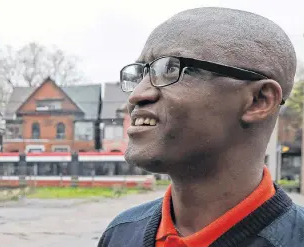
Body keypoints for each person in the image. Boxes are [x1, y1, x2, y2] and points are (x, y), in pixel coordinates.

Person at [98, 7, 304, 247]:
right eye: (141, 73)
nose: (137, 95)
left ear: (259, 101)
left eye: (170, 69)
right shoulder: (121, 233)